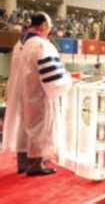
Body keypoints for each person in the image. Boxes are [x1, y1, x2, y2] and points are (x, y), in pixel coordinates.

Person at [3, 12, 72, 177]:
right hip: (37, 94)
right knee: (38, 127)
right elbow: (53, 78)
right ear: (43, 26)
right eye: (48, 28)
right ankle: (35, 164)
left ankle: (23, 163)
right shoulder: (42, 45)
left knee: (23, 127)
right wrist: (68, 80)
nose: (49, 31)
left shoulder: (20, 44)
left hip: (21, 93)